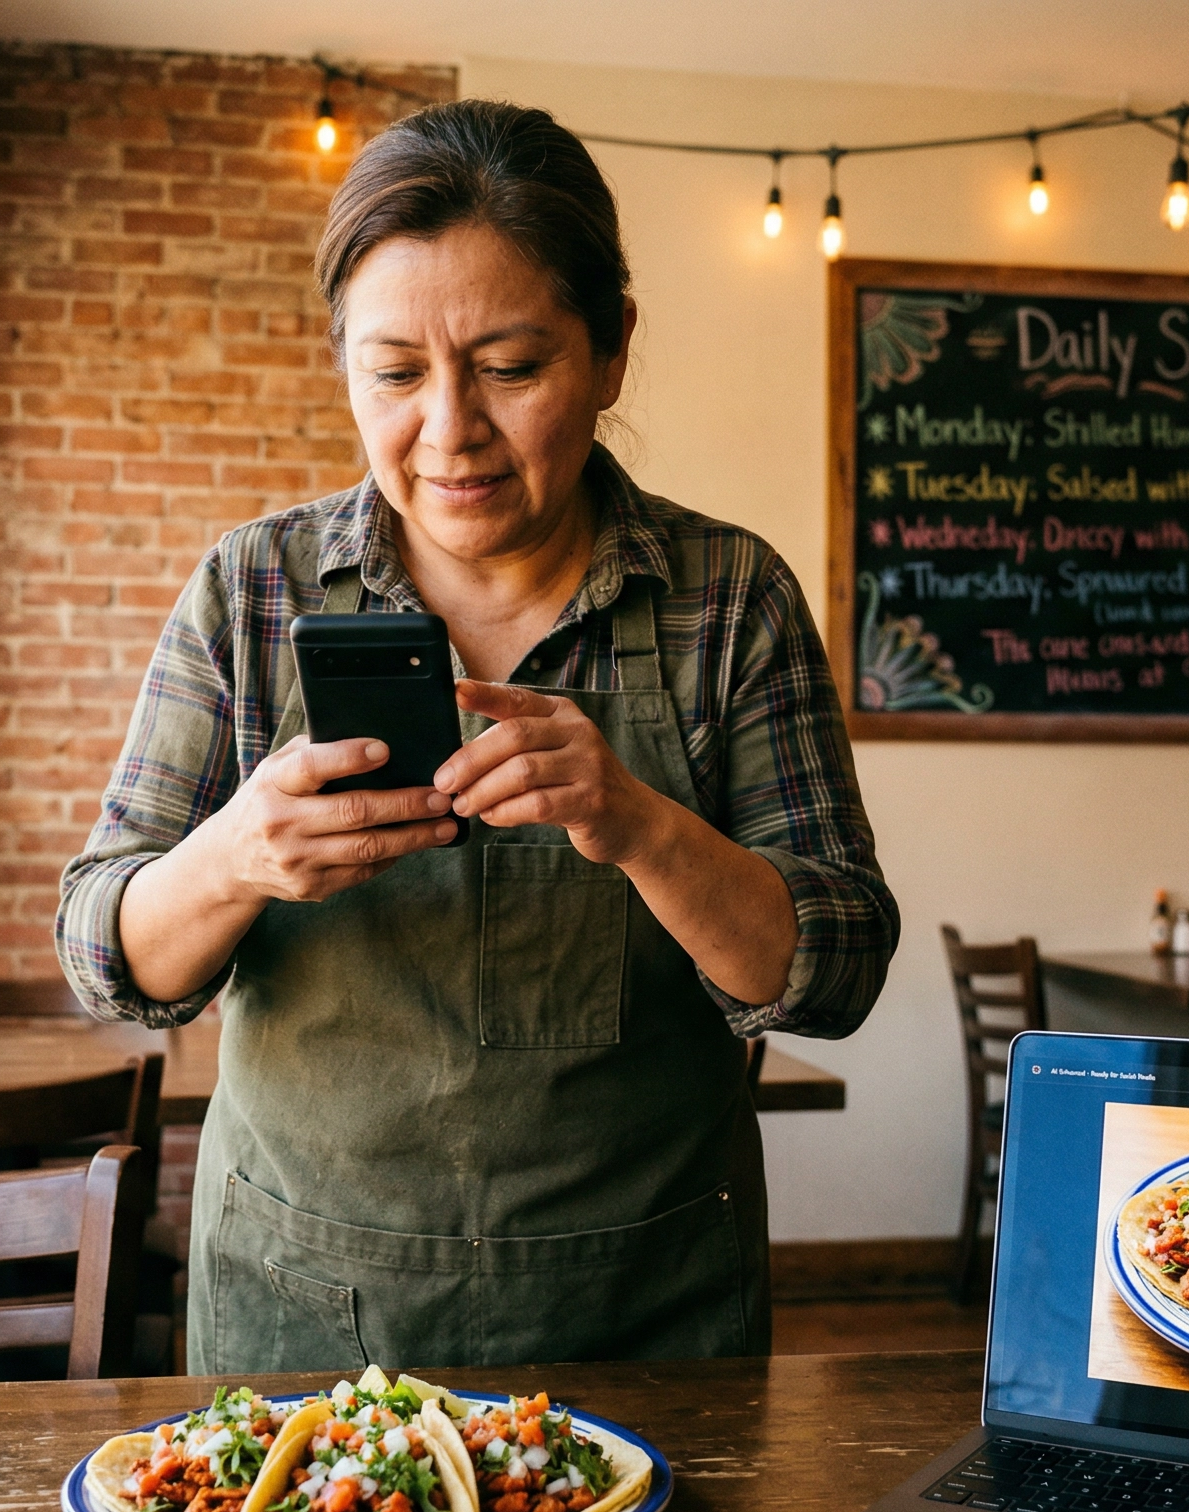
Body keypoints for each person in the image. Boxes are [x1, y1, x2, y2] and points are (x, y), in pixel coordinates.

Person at [57, 99, 897, 1374]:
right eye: (393, 373)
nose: (447, 428)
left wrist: (639, 827)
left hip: (651, 1321)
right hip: (302, 1318)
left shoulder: (729, 598)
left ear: (612, 349)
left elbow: (836, 970)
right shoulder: (250, 591)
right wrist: (233, 858)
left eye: (508, 367)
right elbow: (102, 955)